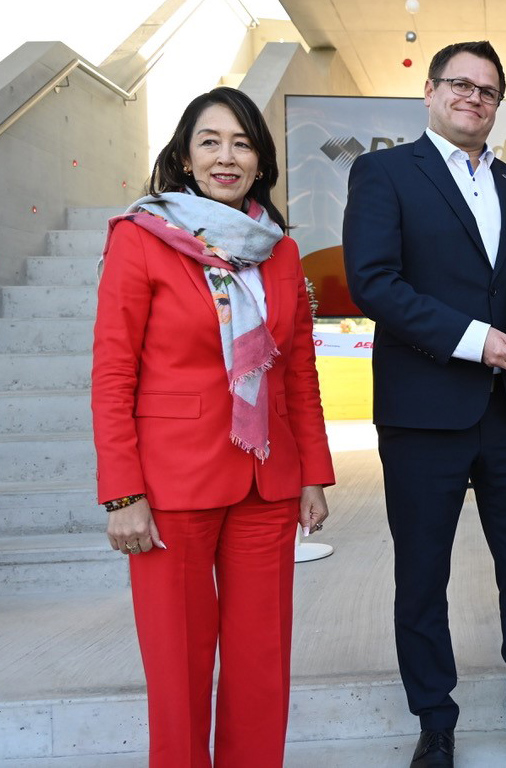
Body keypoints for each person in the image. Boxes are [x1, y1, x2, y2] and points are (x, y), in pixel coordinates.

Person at [343, 40, 506, 768]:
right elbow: (373, 281)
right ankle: (435, 722)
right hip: (422, 412)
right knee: (422, 577)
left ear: (498, 104)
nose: (474, 97)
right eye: (460, 84)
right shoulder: (383, 173)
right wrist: (474, 340)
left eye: (488, 90)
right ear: (431, 91)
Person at [91, 86, 335, 767]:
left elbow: (298, 373)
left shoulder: (281, 253)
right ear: (184, 157)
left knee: (262, 667)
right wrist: (122, 492)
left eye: (242, 143)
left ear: (260, 161)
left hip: (267, 483)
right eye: (210, 142)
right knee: (178, 669)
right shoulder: (140, 240)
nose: (226, 157)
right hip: (171, 486)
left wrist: (314, 474)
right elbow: (113, 374)